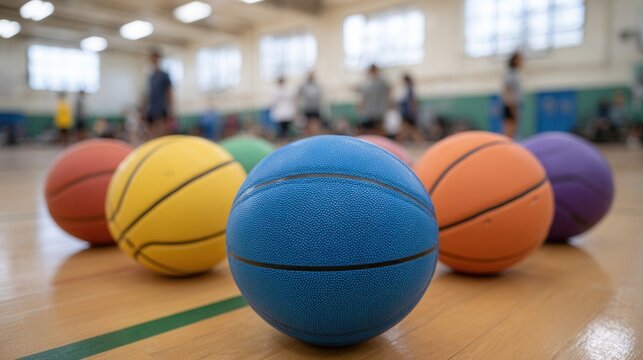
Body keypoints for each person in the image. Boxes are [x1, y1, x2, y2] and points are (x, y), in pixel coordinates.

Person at [145, 49, 172, 138]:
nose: (153, 60)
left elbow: (169, 92)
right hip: (152, 107)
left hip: (161, 107)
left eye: (155, 58)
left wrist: (170, 108)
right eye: (152, 58)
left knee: (161, 130)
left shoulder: (164, 75)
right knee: (151, 131)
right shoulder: (151, 76)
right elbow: (149, 93)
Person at [357, 64, 390, 135]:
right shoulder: (368, 83)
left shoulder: (381, 82)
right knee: (369, 130)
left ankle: (379, 144)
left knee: (378, 129)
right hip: (370, 111)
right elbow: (364, 97)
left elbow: (388, 93)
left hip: (378, 111)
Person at [501, 51, 523, 139]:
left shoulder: (515, 73)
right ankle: (504, 147)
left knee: (514, 130)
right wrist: (511, 106)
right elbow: (507, 89)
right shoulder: (510, 73)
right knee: (509, 130)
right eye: (519, 60)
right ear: (514, 60)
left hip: (514, 105)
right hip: (510, 105)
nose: (521, 62)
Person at [397, 73, 423, 143]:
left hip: (408, 113)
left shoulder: (409, 90)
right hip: (407, 112)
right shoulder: (408, 89)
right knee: (409, 129)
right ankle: (418, 141)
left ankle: (400, 142)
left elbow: (412, 102)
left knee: (409, 129)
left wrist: (412, 112)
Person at [271, 76, 296, 142]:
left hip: (287, 112)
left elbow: (292, 101)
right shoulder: (276, 91)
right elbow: (274, 102)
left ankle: (286, 139)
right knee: (281, 128)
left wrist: (293, 111)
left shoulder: (288, 90)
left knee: (286, 128)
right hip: (280, 113)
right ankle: (282, 140)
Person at [298, 71, 323, 136]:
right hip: (307, 108)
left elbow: (320, 96)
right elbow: (298, 95)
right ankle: (308, 136)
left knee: (316, 122)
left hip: (316, 107)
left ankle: (316, 135)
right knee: (308, 123)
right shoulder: (304, 85)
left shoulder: (317, 85)